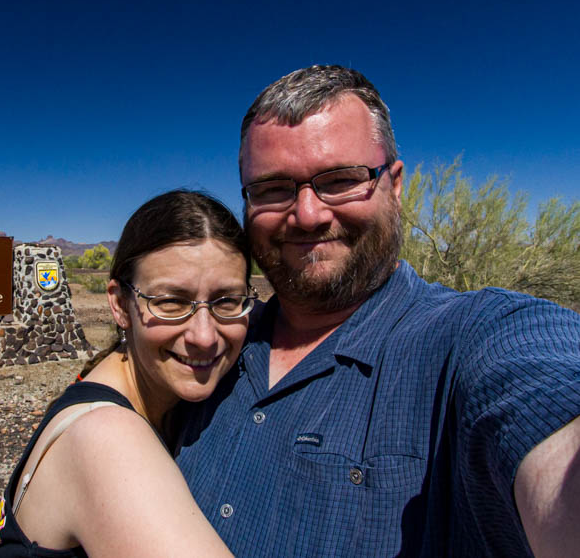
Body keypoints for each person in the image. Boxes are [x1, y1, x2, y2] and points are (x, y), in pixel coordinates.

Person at [175, 65, 580, 557]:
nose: (307, 214)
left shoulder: (472, 340)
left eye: (341, 180)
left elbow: (544, 401)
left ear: (395, 185)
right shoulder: (207, 349)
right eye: (273, 189)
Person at [0, 190, 258, 557]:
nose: (204, 336)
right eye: (171, 302)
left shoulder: (132, 398)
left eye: (226, 301)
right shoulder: (107, 440)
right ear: (120, 304)